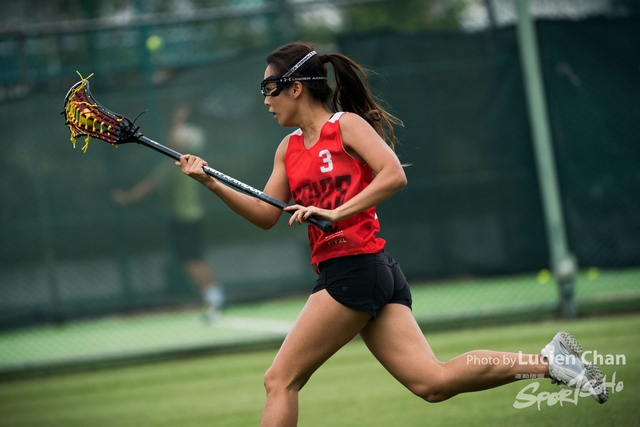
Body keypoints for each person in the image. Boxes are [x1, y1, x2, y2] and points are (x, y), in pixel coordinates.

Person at [177, 42, 608, 426]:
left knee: (280, 381)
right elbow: (266, 214)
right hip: (366, 271)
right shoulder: (287, 149)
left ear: (295, 88)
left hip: (356, 269)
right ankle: (552, 363)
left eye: (269, 89)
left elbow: (393, 175)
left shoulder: (345, 126)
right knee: (432, 382)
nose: (265, 101)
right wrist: (211, 183)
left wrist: (335, 211)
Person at [112, 105, 224, 322]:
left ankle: (214, 298)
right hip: (184, 217)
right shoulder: (173, 165)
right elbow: (150, 182)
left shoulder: (184, 163)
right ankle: (213, 297)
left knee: (192, 258)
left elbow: (148, 185)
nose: (174, 139)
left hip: (187, 218)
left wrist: (177, 121)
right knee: (191, 258)